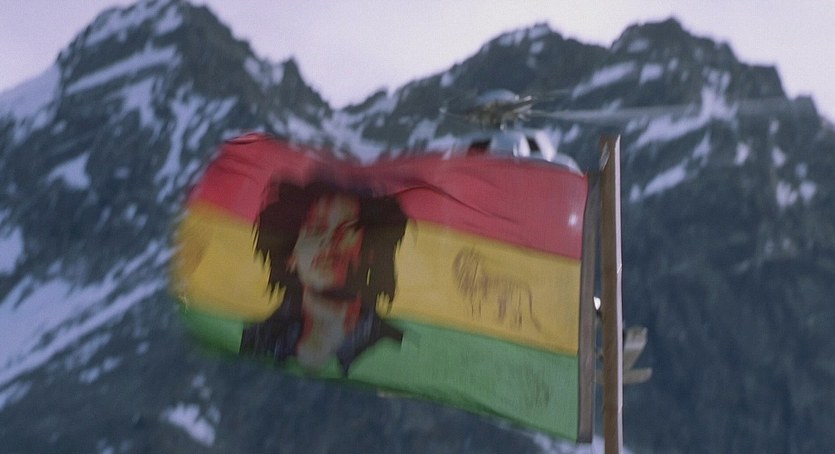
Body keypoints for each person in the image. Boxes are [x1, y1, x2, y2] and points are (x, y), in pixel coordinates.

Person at [240, 180, 408, 375]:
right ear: (290, 255)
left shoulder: (397, 350)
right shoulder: (255, 343)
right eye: (315, 229)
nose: (329, 242)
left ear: (371, 251)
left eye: (347, 230)